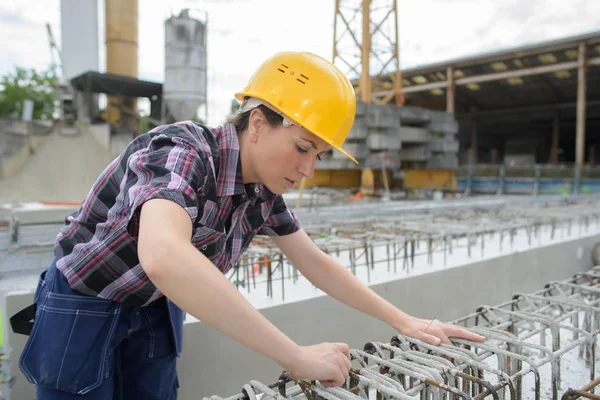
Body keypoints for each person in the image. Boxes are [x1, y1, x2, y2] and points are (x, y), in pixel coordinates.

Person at [13, 51, 484, 399]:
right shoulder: (182, 151)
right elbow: (163, 257)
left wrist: (407, 321)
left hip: (155, 308)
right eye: (302, 148)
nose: (308, 170)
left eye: (318, 155)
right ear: (257, 122)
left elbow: (313, 261)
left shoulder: (263, 191)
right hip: (85, 301)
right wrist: (296, 357)